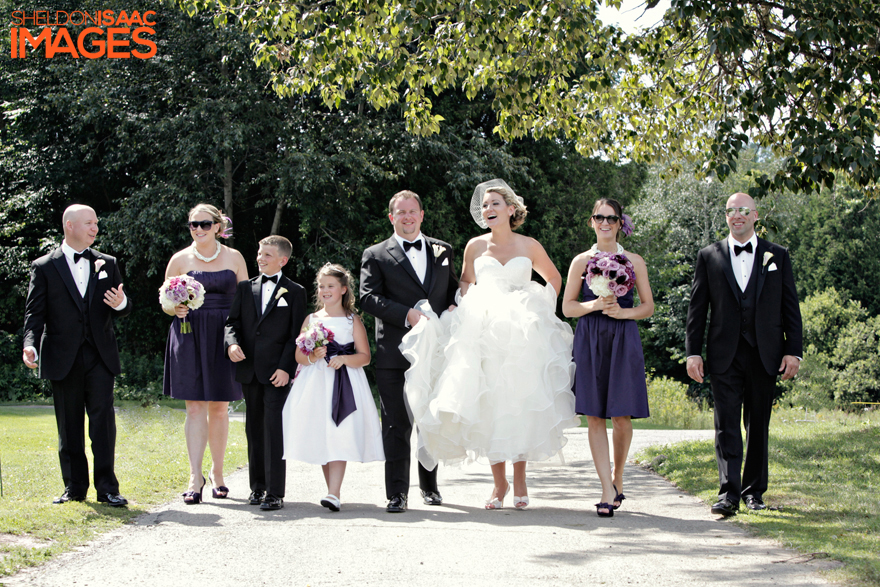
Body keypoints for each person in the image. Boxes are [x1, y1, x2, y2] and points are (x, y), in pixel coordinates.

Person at [400, 179, 579, 510]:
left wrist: (538, 302)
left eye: (495, 203)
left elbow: (554, 278)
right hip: (483, 333)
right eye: (484, 205)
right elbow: (466, 280)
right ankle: (499, 484)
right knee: (490, 403)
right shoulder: (475, 246)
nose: (488, 209)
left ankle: (521, 479)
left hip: (522, 335)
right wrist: (471, 300)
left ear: (511, 209)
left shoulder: (530, 246)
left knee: (520, 401)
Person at [685, 192, 803, 517]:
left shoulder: (777, 254)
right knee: (725, 425)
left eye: (743, 210)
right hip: (724, 353)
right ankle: (728, 494)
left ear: (755, 216)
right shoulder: (709, 256)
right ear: (726, 217)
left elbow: (790, 306)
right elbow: (697, 310)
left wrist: (794, 351)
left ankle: (754, 492)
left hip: (766, 353)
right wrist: (692, 353)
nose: (736, 215)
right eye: (730, 211)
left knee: (758, 425)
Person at [22, 204, 131, 507]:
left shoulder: (107, 263)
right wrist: (29, 343)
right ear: (69, 226)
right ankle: (74, 488)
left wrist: (122, 303)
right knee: (69, 426)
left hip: (100, 356)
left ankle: (108, 488)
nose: (95, 228)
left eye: (96, 223)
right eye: (88, 223)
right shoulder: (44, 266)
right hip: (61, 356)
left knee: (103, 425)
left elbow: (124, 307)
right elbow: (34, 312)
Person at [360, 190, 459, 513]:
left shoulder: (442, 249)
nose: (407, 217)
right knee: (396, 423)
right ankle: (397, 493)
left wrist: (456, 304)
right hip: (395, 352)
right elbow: (367, 297)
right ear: (392, 217)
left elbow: (452, 288)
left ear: (422, 214)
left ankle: (429, 487)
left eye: (412, 211)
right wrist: (408, 314)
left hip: (436, 352)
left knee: (430, 420)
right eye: (400, 212)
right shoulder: (375, 254)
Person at [562, 198, 654, 518]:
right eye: (599, 217)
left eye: (611, 218)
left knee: (621, 416)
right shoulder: (580, 262)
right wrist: (596, 306)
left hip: (622, 336)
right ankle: (604, 487)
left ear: (619, 223)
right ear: (591, 222)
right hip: (589, 338)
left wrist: (622, 311)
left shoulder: (634, 261)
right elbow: (568, 307)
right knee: (595, 415)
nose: (604, 223)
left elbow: (648, 306)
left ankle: (618, 476)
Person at [163, 203, 248, 504]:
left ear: (217, 226)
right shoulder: (179, 259)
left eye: (204, 224)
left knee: (220, 408)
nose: (198, 229)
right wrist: (175, 307)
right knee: (195, 407)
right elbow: (164, 301)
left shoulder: (235, 257)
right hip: (188, 334)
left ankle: (219, 473)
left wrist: (240, 339)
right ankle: (194, 476)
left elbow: (245, 303)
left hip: (223, 334)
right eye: (192, 225)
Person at [282, 264, 384, 511]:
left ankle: (334, 492)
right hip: (316, 383)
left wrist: (344, 359)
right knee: (323, 433)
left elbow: (365, 356)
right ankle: (332, 492)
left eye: (330, 286)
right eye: (321, 286)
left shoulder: (352, 320)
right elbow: (298, 356)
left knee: (339, 432)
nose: (325, 290)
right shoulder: (312, 319)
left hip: (344, 382)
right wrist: (313, 356)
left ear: (343, 289)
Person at [225, 235, 307, 510]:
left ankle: (275, 492)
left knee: (274, 430)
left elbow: (296, 334)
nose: (260, 258)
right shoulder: (245, 288)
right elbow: (232, 322)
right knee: (254, 430)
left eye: (267, 255)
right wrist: (232, 343)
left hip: (277, 372)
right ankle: (257, 488)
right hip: (249, 370)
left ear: (283, 260)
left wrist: (286, 368)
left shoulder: (295, 291)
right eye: (259, 254)